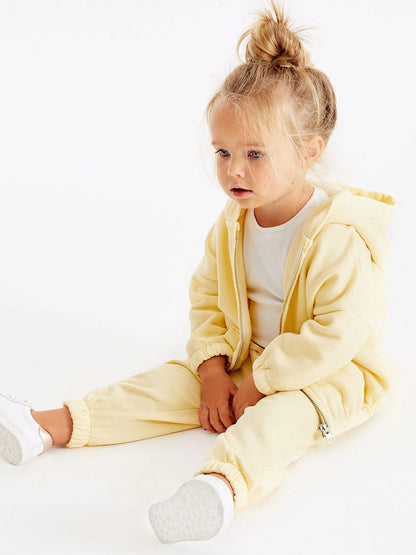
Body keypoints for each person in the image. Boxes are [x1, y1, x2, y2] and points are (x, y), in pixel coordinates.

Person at [0, 0, 400, 544]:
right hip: (247, 357)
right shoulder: (233, 222)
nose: (234, 170)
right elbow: (208, 297)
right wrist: (213, 371)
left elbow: (336, 332)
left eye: (255, 154)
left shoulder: (340, 235)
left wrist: (262, 384)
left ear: (310, 152)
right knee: (167, 383)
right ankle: (47, 425)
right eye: (222, 152)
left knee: (280, 420)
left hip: (325, 373)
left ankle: (218, 488)